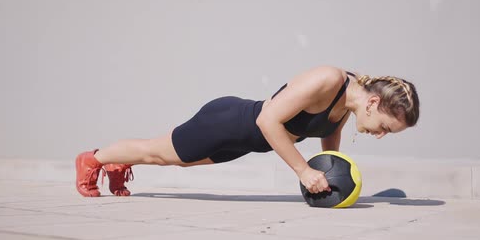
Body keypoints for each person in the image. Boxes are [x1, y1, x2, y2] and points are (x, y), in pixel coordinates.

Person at [75, 65, 420, 197]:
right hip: (230, 122)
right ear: (374, 103)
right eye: (386, 128)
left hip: (244, 142)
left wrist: (330, 173)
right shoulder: (330, 79)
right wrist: (303, 171)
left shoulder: (349, 100)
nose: (381, 134)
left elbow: (327, 137)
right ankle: (94, 159)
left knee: (172, 160)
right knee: (157, 152)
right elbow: (267, 120)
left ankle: (118, 166)